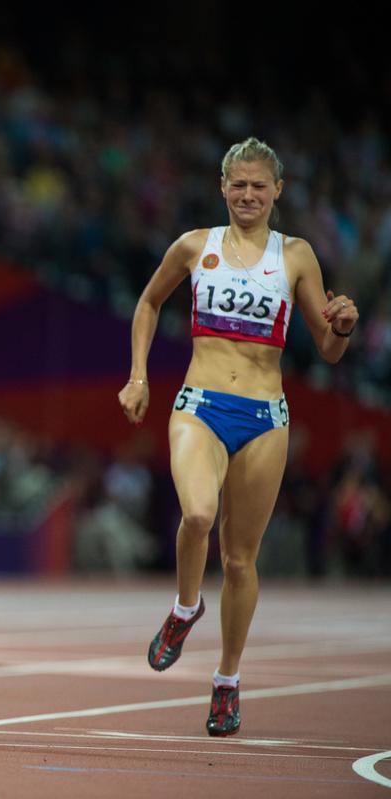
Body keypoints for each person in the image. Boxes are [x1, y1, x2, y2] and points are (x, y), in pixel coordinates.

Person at [118, 137, 359, 736]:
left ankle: (226, 682)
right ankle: (183, 608)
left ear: (278, 191)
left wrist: (344, 327)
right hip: (200, 404)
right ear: (222, 188)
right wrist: (138, 376)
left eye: (259, 185)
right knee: (197, 514)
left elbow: (327, 350)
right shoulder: (194, 246)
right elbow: (147, 304)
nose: (248, 195)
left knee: (241, 558)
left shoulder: (296, 255)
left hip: (265, 417)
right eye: (238, 185)